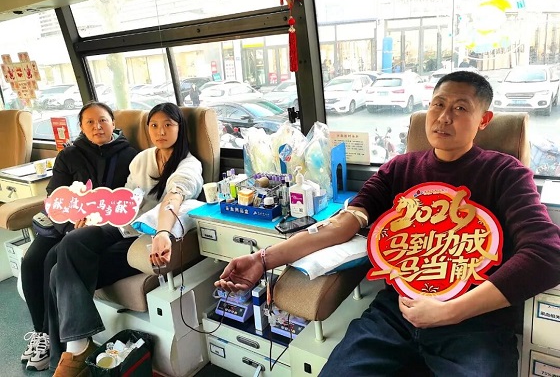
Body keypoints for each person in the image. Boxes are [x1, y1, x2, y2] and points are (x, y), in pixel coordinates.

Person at [215, 71, 560, 376]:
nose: (444, 117)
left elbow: (546, 254)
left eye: (460, 108)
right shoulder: (400, 169)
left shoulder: (505, 173)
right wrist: (263, 259)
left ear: (484, 120)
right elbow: (341, 226)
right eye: (438, 105)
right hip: (395, 314)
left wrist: (452, 311)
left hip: (473, 321)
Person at [48, 103, 203, 376]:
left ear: (180, 128)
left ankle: (75, 348)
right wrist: (94, 215)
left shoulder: (189, 165)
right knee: (71, 242)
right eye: (154, 125)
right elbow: (127, 199)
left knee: (58, 273)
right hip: (122, 227)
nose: (160, 131)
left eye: (168, 125)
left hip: (145, 235)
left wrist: (162, 232)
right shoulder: (142, 159)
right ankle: (77, 345)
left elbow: (174, 198)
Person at [20, 101, 138, 372]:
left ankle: (60, 341)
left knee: (53, 260)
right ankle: (41, 333)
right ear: (82, 127)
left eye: (103, 120)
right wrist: (69, 226)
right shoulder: (69, 155)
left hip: (98, 229)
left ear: (113, 123)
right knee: (31, 261)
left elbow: (130, 201)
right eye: (90, 122)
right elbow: (54, 196)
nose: (98, 127)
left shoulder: (130, 155)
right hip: (65, 224)